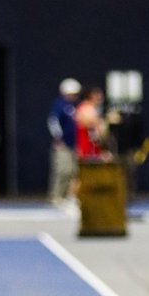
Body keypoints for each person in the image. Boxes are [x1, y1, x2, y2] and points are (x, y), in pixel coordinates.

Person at [47, 77, 80, 208]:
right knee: (62, 170)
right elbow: (53, 122)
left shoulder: (75, 106)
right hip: (63, 144)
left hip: (74, 143)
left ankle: (67, 195)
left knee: (72, 171)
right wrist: (58, 138)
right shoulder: (60, 105)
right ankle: (56, 196)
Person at [75, 86, 112, 161]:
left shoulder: (91, 109)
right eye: (97, 96)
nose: (100, 99)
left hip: (92, 147)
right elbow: (91, 127)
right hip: (86, 147)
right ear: (91, 96)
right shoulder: (86, 108)